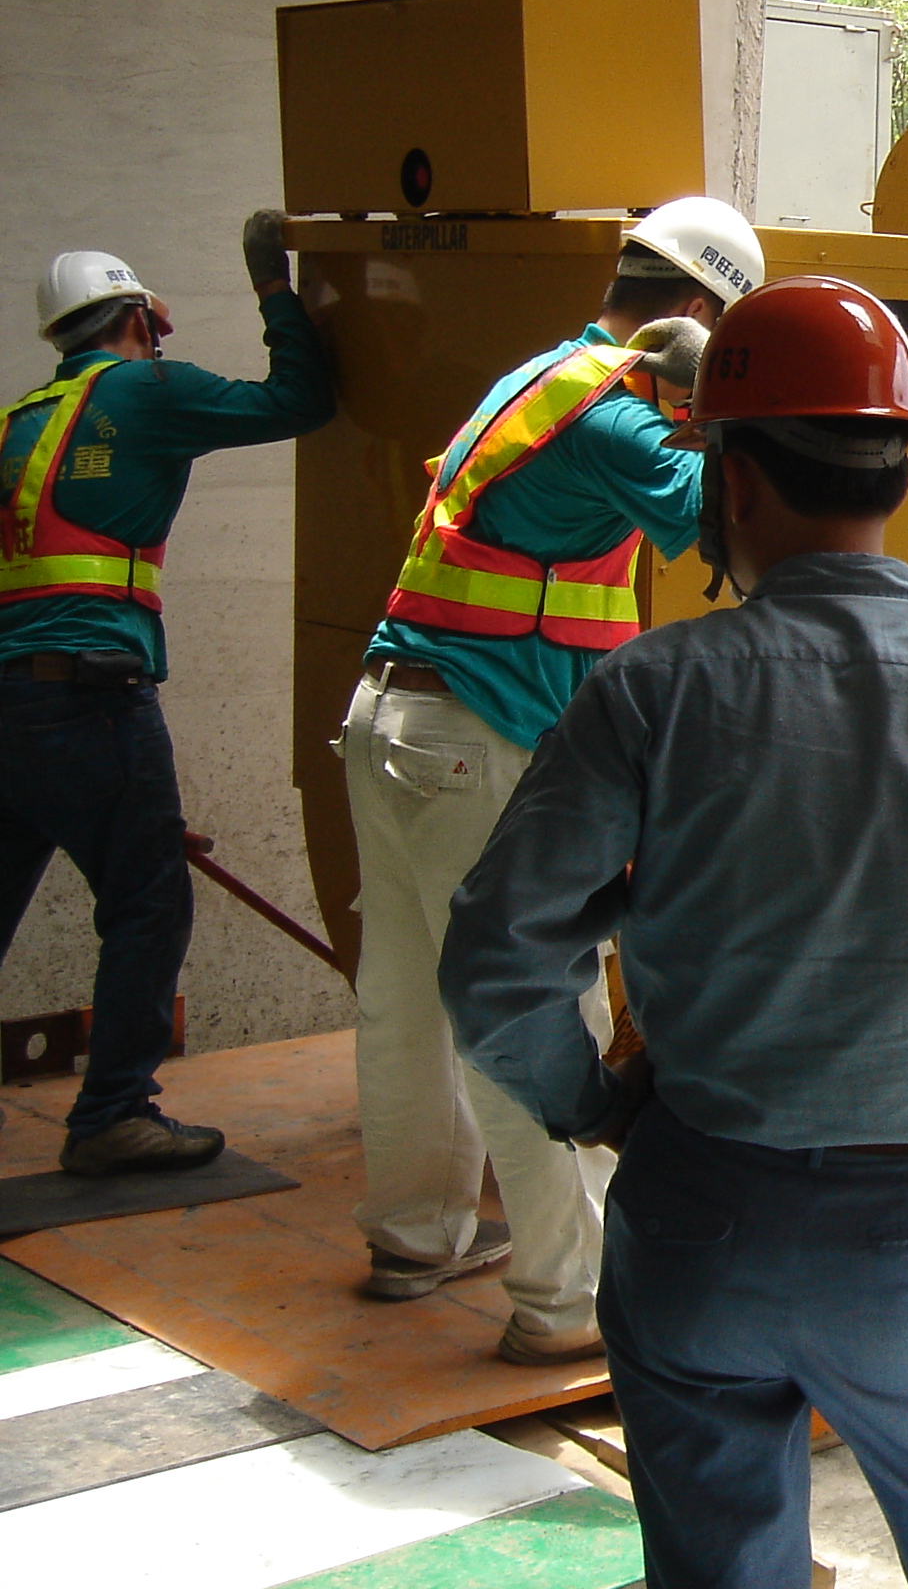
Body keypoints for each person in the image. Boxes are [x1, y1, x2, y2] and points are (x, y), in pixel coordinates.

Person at [441, 275, 908, 1588]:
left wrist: (596, 1103)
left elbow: (499, 960)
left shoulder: (648, 694)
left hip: (695, 1210)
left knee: (719, 1557)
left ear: (732, 484)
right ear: (899, 472)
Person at [339, 195, 759, 1360]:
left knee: (412, 999)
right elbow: (723, 523)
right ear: (688, 311)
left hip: (389, 720)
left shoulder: (535, 377)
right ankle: (569, 1302)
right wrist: (724, 409)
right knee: (532, 1008)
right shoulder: (612, 414)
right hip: (479, 736)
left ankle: (417, 1237)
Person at [1, 225, 333, 1175]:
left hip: (11, 701)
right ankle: (113, 1114)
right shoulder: (148, 390)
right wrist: (274, 285)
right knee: (148, 901)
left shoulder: (18, 420)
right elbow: (301, 400)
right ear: (143, 317)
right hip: (93, 693)